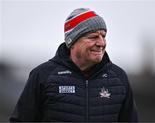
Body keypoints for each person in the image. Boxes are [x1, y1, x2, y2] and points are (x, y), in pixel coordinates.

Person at [9, 8, 138, 122]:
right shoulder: (43, 75)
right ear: (72, 41)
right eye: (93, 37)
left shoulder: (119, 78)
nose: (101, 43)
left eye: (103, 36)